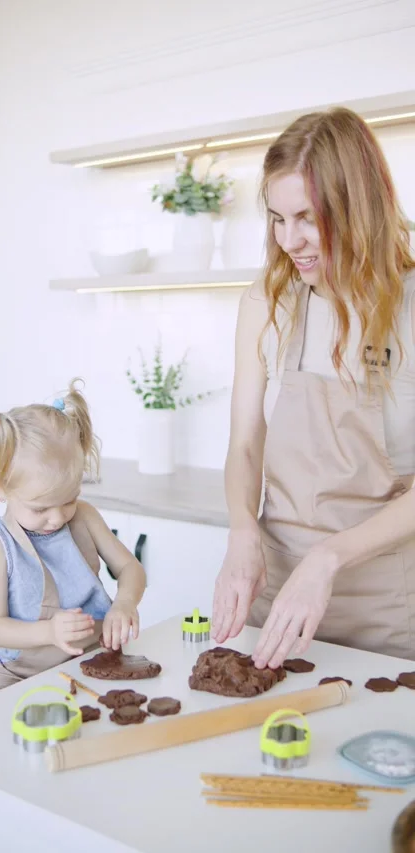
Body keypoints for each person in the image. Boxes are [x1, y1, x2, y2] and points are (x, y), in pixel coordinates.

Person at [211, 107, 415, 667]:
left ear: (357, 207)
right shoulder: (266, 301)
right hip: (277, 588)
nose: (288, 240)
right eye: (277, 218)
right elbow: (244, 442)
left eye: (307, 218)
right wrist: (241, 532)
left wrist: (327, 559)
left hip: (384, 601)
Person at [0, 379, 146, 691]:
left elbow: (131, 568)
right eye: (40, 509)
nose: (58, 517)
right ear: (1, 488)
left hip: (92, 661)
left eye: (69, 500)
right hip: (20, 679)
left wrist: (125, 603)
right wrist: (49, 632)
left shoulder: (84, 517)